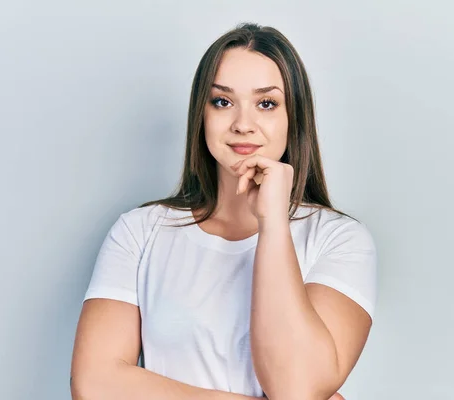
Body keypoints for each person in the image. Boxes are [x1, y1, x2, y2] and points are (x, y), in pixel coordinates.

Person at [70, 22, 376, 400]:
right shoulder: (140, 231)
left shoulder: (338, 239)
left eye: (266, 103)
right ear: (202, 115)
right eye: (222, 101)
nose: (243, 124)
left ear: (293, 117)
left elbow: (299, 386)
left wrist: (273, 222)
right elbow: (94, 385)